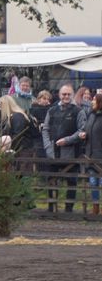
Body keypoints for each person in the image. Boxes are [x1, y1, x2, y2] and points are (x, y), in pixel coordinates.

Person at [58, 92, 102, 215]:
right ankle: (95, 207)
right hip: (90, 156)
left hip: (100, 156)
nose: (92, 101)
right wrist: (75, 137)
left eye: (94, 99)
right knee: (93, 182)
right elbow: (83, 131)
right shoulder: (91, 115)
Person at [42, 84, 81, 213]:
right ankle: (51, 208)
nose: (66, 96)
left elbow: (82, 131)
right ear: (59, 95)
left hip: (71, 152)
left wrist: (67, 140)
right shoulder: (51, 111)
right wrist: (48, 147)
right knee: (51, 180)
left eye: (69, 94)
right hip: (53, 152)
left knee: (71, 181)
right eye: (64, 94)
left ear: (72, 95)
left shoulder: (78, 111)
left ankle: (68, 209)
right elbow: (45, 129)